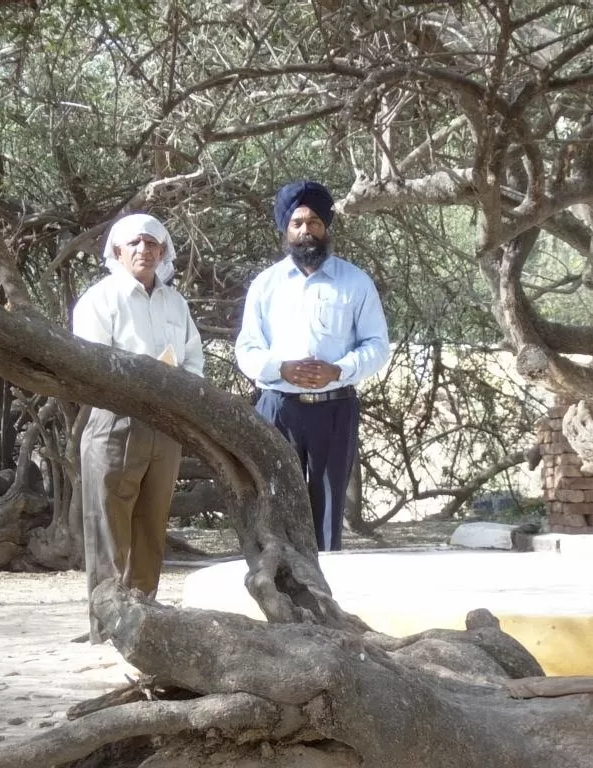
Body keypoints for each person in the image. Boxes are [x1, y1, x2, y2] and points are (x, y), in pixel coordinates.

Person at [235, 181, 389, 551]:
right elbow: (247, 348)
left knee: (328, 504)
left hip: (335, 408)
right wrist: (281, 368)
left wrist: (339, 370)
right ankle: (281, 588)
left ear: (327, 229)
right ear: (286, 231)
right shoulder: (266, 285)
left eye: (315, 222)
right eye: (298, 223)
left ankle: (325, 596)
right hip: (278, 407)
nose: (307, 231)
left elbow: (377, 346)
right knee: (273, 498)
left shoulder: (355, 282)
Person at [73, 213, 203, 640]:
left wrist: (178, 392)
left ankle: (144, 623)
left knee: (151, 525)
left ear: (164, 252)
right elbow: (93, 363)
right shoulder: (101, 298)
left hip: (165, 423)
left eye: (153, 243)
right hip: (115, 420)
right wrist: (145, 379)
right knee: (108, 524)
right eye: (135, 243)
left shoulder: (175, 303)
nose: (144, 250)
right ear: (117, 251)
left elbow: (193, 361)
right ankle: (107, 627)